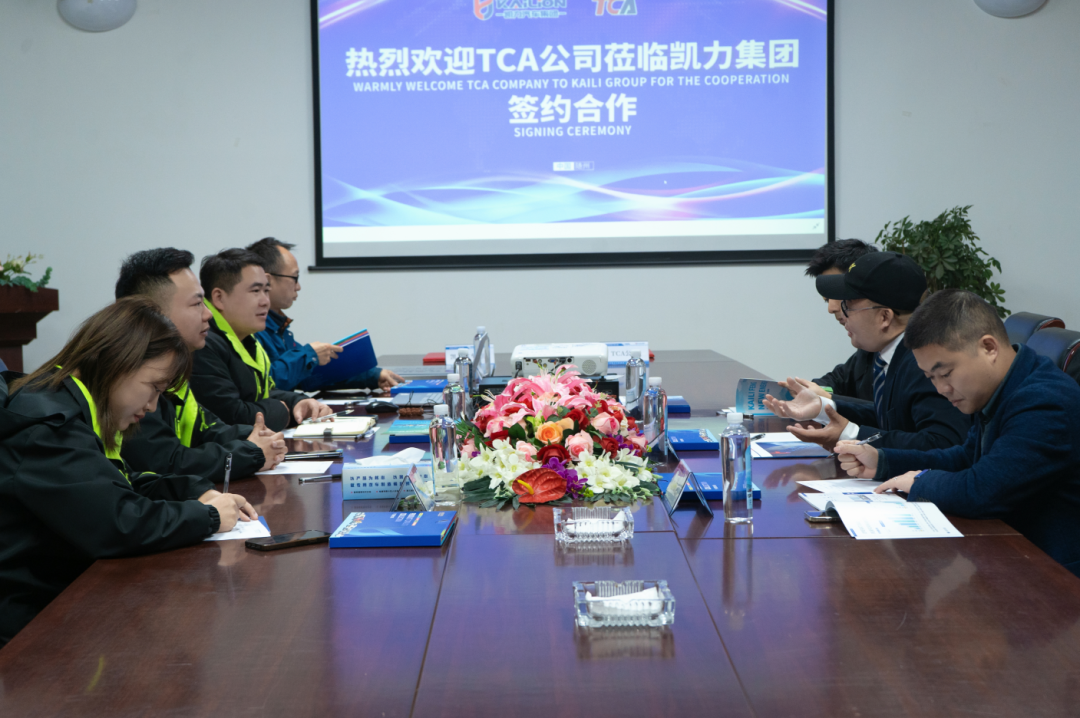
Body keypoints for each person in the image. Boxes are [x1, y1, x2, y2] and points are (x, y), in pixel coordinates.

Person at [0, 297, 257, 645]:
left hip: (65, 604)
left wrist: (194, 491)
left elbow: (118, 484)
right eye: (154, 388)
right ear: (117, 362)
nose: (152, 406)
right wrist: (208, 516)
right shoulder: (49, 428)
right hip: (31, 631)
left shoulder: (70, 407)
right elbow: (117, 522)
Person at [837, 289, 1080, 577]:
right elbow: (966, 457)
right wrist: (883, 461)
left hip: (1056, 578)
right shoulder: (1003, 386)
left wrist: (921, 482)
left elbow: (982, 491)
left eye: (946, 373)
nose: (941, 389)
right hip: (1011, 556)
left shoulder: (1044, 403)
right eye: (931, 377)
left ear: (988, 347)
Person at [764, 251, 970, 452]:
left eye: (848, 306)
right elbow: (889, 418)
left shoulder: (923, 363)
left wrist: (850, 434)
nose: (841, 314)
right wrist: (823, 406)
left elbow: (942, 443)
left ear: (884, 317)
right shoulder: (891, 355)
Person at [115, 248, 287, 480]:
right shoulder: (132, 376)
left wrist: (260, 437)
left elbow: (208, 428)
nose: (208, 314)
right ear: (153, 313)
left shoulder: (172, 371)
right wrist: (250, 453)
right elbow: (165, 463)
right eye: (197, 304)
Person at [190, 249, 331, 431]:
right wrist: (282, 411)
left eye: (266, 291)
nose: (265, 301)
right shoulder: (202, 343)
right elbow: (233, 417)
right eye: (256, 291)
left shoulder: (247, 338)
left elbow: (264, 393)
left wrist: (298, 402)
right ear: (219, 298)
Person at [246, 237, 402, 392]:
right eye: (295, 278)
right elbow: (264, 383)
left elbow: (309, 376)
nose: (298, 287)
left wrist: (372, 375)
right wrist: (309, 355)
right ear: (268, 280)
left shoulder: (278, 325)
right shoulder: (249, 329)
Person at [792, 238, 879, 404]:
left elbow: (885, 415)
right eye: (827, 300)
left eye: (838, 295)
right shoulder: (868, 349)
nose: (831, 308)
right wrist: (809, 389)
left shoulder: (912, 356)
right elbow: (839, 380)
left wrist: (828, 398)